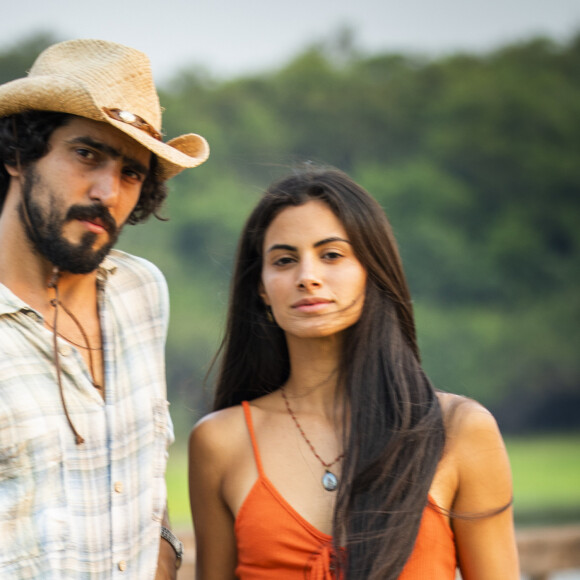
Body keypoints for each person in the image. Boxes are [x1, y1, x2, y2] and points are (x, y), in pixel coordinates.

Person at [188, 167, 520, 579]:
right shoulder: (221, 441)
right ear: (261, 287)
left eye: (332, 255)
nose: (307, 277)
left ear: (372, 269)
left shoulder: (458, 430)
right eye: (285, 260)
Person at [0, 39, 209, 579]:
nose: (106, 190)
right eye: (87, 154)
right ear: (18, 152)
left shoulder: (142, 292)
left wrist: (163, 546)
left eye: (132, 172)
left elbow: (143, 464)